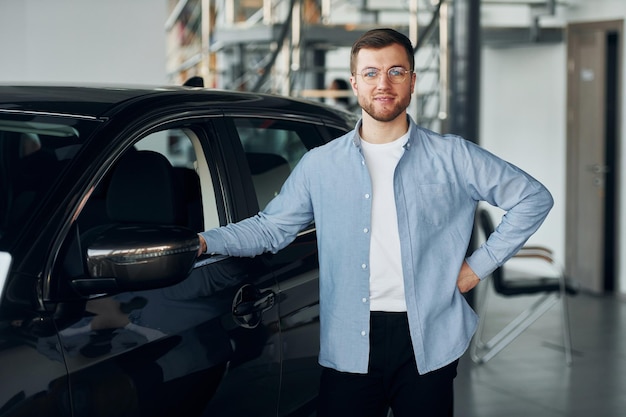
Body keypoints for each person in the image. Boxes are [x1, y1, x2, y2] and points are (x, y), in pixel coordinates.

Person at [197, 28, 553, 417]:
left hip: (429, 337)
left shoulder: (454, 157)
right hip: (349, 339)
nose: (383, 83)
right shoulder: (321, 164)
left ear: (413, 81)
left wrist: (476, 268)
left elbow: (533, 198)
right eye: (370, 73)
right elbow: (270, 229)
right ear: (354, 82)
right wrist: (202, 242)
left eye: (396, 72)